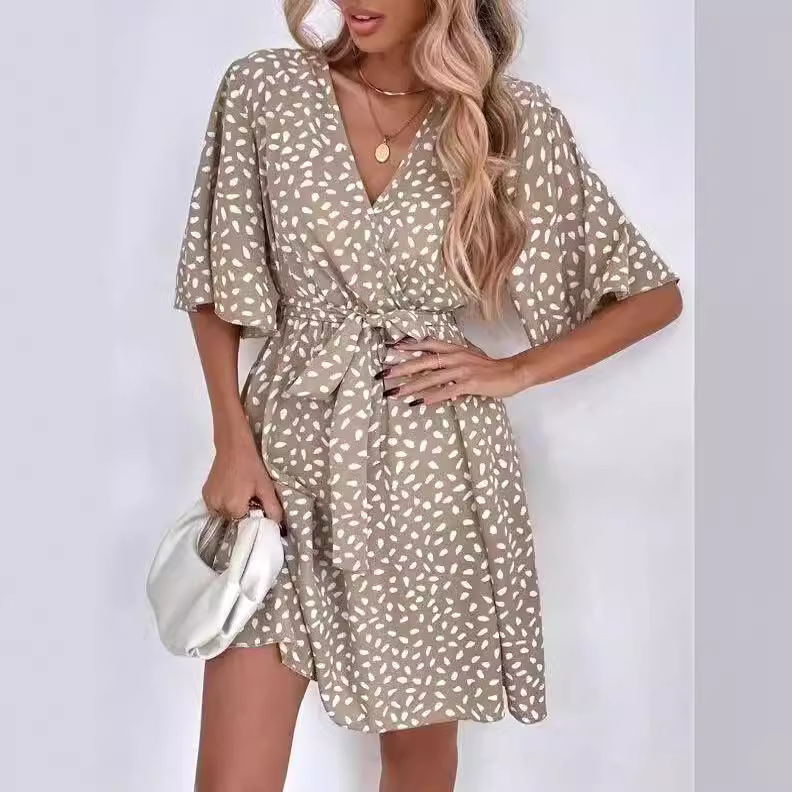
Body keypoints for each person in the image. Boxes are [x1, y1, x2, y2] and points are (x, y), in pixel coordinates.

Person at [171, 1, 683, 790]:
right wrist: (230, 441)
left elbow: (651, 296)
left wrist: (512, 371)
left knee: (417, 762)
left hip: (431, 466)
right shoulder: (265, 89)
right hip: (283, 467)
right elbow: (215, 278)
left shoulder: (507, 122)